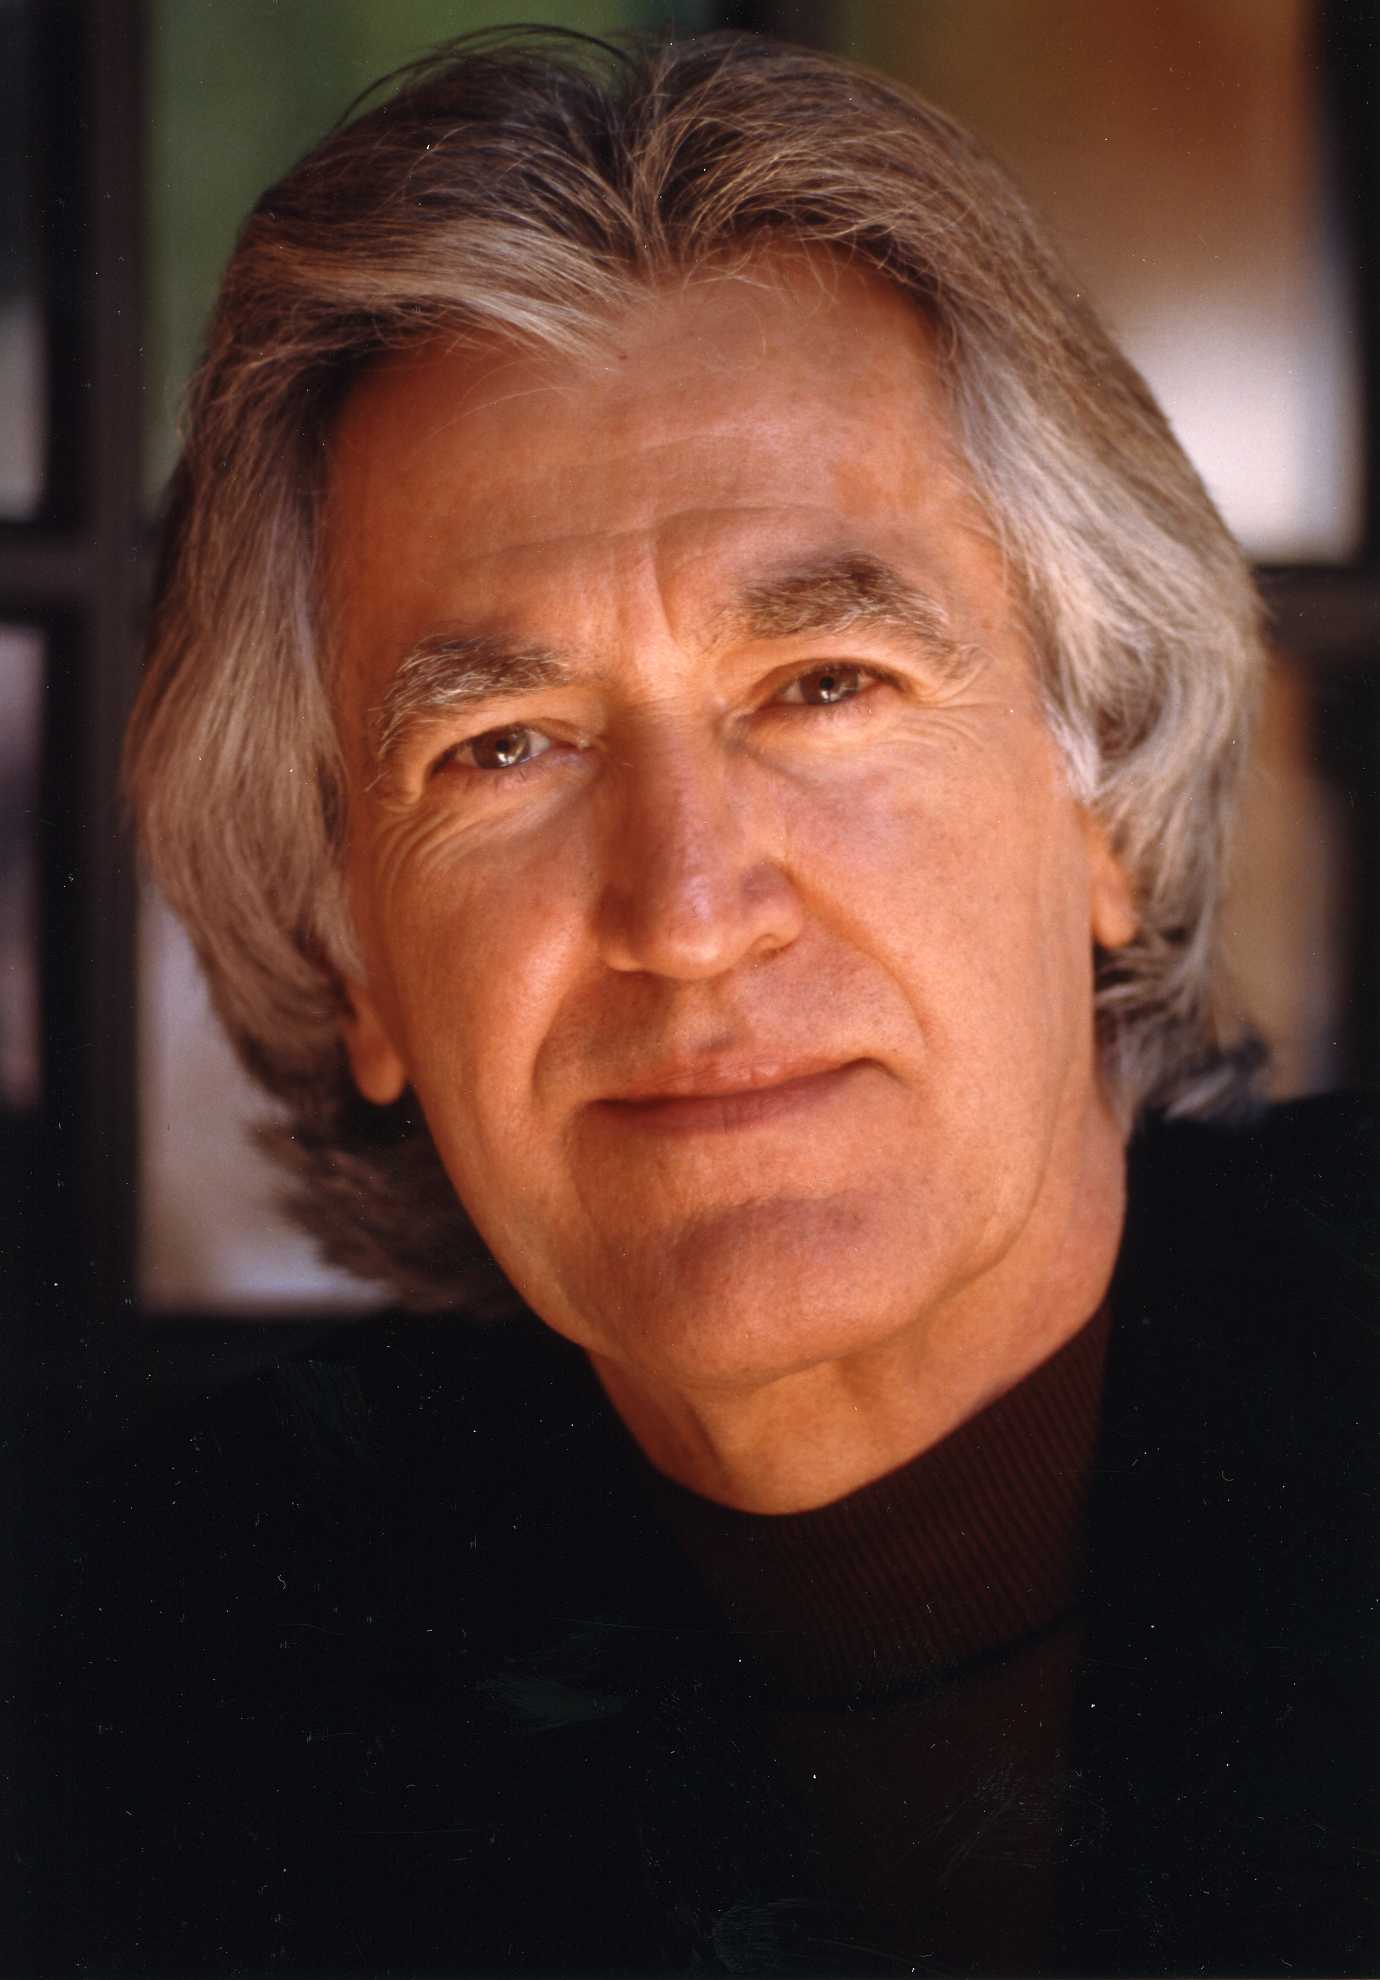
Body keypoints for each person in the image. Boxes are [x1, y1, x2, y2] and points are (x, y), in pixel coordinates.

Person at [22, 27, 1377, 1978]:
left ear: (1105, 807)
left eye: (823, 686)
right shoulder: (153, 1693)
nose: (684, 913)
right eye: (503, 747)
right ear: (353, 956)